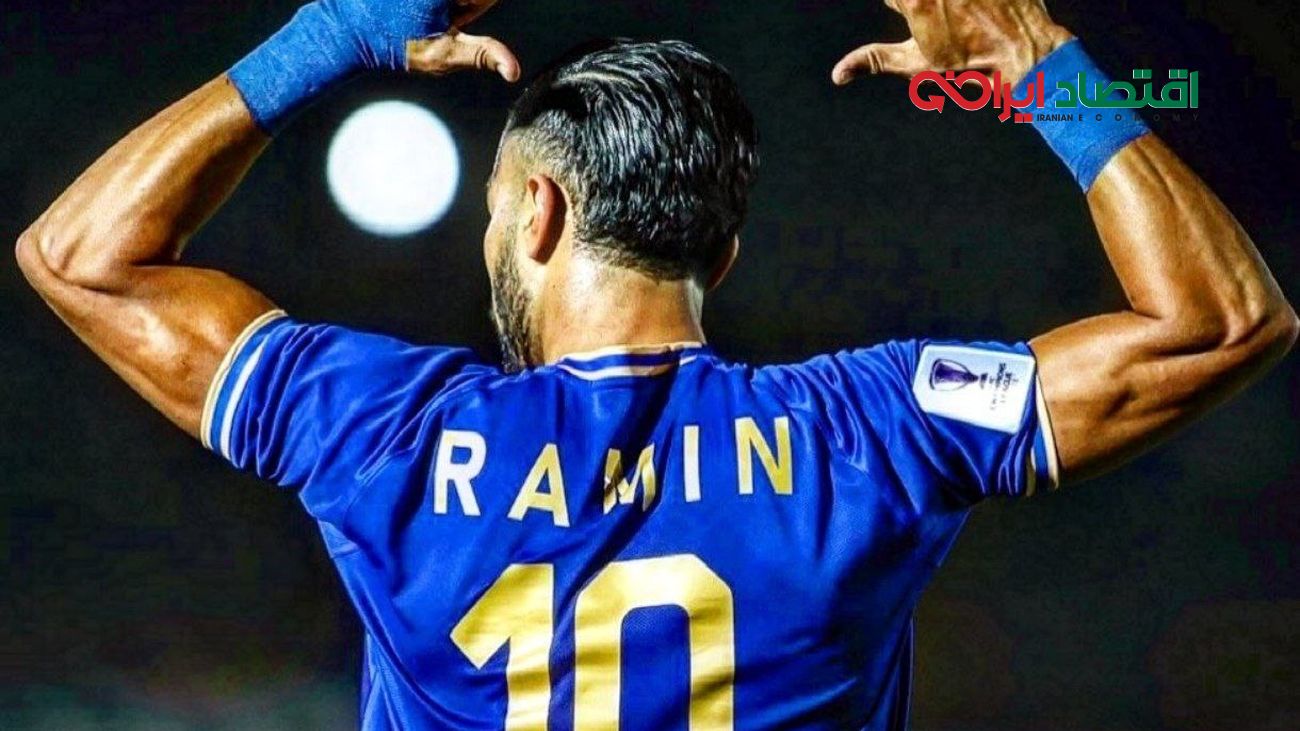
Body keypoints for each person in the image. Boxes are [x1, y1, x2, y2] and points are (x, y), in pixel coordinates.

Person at [15, 0, 1297, 727]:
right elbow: (1222, 323)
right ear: (722, 255)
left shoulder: (386, 433)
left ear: (536, 213)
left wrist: (330, 33)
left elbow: (80, 257)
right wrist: (1038, 63)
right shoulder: (868, 429)